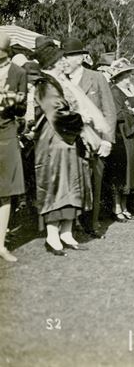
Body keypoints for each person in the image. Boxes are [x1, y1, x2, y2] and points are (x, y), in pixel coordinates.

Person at [60, 38, 116, 239]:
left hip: (95, 141)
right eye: (63, 56)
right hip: (69, 141)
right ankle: (70, 224)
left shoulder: (96, 77)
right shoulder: (60, 80)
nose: (64, 60)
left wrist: (107, 140)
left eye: (68, 56)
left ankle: (92, 223)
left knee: (95, 182)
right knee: (71, 182)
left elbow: (109, 110)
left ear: (79, 58)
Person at [33, 73, 92, 256]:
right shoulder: (45, 85)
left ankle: (66, 232)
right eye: (60, 60)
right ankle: (52, 236)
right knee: (56, 186)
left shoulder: (57, 83)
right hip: (53, 144)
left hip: (66, 143)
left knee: (71, 185)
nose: (64, 63)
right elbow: (57, 114)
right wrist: (80, 118)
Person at [108, 59, 134, 221]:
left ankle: (124, 206)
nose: (127, 79)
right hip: (122, 134)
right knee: (121, 172)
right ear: (117, 78)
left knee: (130, 172)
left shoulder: (128, 91)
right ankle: (116, 207)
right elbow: (116, 114)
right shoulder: (115, 92)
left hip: (131, 133)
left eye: (127, 76)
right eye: (124, 76)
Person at [0, 33, 27, 262]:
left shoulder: (19, 73)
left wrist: (14, 102)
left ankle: (0, 245)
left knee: (5, 191)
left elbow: (22, 109)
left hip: (7, 133)